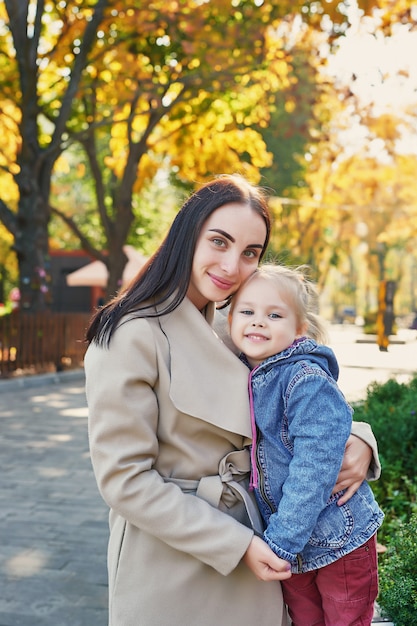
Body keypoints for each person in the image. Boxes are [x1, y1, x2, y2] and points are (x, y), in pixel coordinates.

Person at [84, 174, 380, 626]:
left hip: (266, 542)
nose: (232, 265)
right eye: (219, 242)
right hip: (178, 559)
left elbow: (306, 392)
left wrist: (357, 441)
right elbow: (124, 480)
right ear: (187, 235)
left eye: (250, 253)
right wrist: (237, 544)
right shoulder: (129, 335)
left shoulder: (243, 324)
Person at [229, 263, 384, 626]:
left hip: (337, 538)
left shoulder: (305, 379)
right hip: (292, 544)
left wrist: (280, 542)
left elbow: (313, 468)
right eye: (247, 312)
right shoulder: (247, 371)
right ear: (230, 317)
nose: (258, 322)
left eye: (274, 314)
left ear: (299, 329)